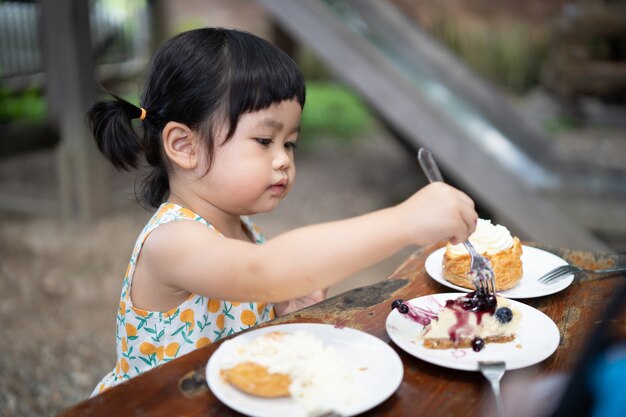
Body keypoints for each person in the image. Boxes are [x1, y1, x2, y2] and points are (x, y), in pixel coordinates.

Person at [86, 27, 478, 395]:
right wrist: (404, 221)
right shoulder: (171, 240)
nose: (282, 161)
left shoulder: (239, 227)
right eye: (264, 140)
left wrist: (279, 309)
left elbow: (257, 286)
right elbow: (263, 271)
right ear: (184, 146)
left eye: (289, 144)